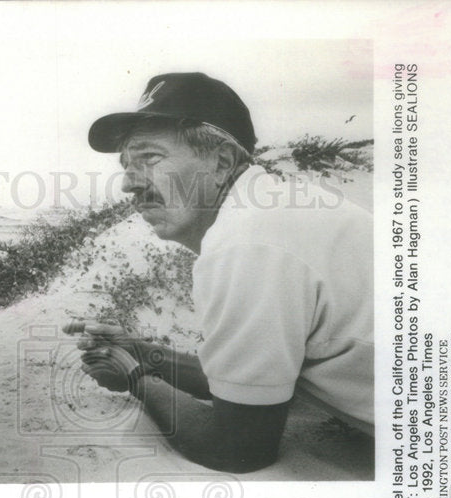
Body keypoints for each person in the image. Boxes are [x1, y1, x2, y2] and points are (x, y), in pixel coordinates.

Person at [66, 72, 373, 473]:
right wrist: (145, 354)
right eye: (126, 165)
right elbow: (243, 385)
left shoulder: (247, 242)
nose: (128, 184)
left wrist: (134, 375)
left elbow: (238, 448)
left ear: (222, 162)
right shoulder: (269, 211)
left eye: (150, 159)